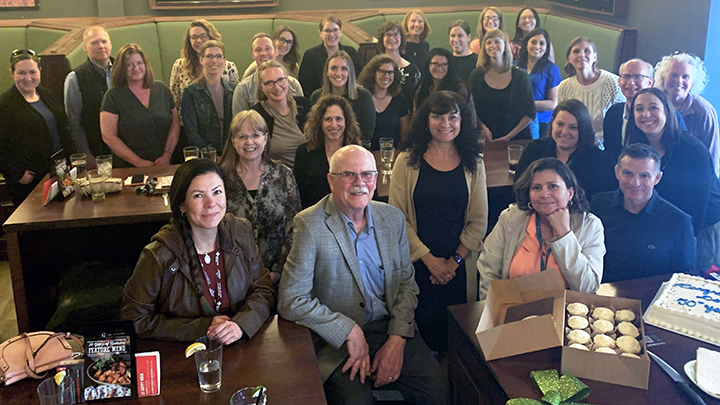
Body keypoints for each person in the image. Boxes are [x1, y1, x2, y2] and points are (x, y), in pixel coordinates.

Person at [278, 145, 447, 405]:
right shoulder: (309, 224)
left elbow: (406, 284)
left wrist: (397, 339)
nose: (360, 183)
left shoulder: (393, 218)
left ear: (376, 179)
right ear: (331, 180)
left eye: (367, 175)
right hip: (336, 338)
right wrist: (348, 330)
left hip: (389, 325)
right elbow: (291, 299)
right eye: (349, 175)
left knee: (438, 391)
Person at [121, 158, 275, 343]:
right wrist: (202, 328)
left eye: (217, 192)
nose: (211, 203)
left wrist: (241, 325)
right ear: (182, 205)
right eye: (198, 195)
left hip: (241, 348)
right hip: (185, 355)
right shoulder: (158, 255)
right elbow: (134, 318)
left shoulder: (240, 232)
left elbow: (263, 290)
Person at [389, 91, 487, 353]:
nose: (446, 124)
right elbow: (397, 219)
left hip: (460, 266)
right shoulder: (406, 161)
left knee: (458, 339)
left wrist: (452, 263)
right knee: (421, 340)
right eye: (438, 117)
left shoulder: (474, 163)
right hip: (418, 265)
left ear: (462, 120)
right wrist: (430, 261)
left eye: (452, 116)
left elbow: (479, 221)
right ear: (426, 120)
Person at [478, 157, 604, 300]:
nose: (544, 194)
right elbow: (488, 272)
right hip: (513, 310)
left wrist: (564, 234)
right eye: (536, 188)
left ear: (570, 193)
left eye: (553, 186)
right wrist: (493, 312)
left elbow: (587, 288)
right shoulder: (511, 219)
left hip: (567, 315)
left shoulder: (590, 226)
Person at [625, 87, 720, 270]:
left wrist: (680, 239)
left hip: (701, 228)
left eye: (653, 108)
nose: (646, 114)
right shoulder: (637, 147)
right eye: (639, 109)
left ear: (667, 111)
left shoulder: (693, 150)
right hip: (663, 226)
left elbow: (697, 207)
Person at [591, 143, 696, 282]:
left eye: (644, 176)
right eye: (628, 173)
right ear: (617, 172)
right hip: (601, 297)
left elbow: (685, 277)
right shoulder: (598, 205)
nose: (635, 183)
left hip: (653, 300)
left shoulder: (678, 221)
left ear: (657, 178)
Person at [219, 110, 301, 284]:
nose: (249, 142)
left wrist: (277, 272)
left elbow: (294, 228)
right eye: (241, 136)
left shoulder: (284, 175)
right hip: (231, 278)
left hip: (278, 277)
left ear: (265, 138)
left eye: (255, 135)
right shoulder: (221, 179)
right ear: (233, 141)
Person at [0, 50, 75, 207]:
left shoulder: (49, 95)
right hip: (29, 178)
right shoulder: (4, 105)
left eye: (32, 72)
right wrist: (16, 174)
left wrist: (70, 160)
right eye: (21, 73)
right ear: (12, 73)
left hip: (59, 169)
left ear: (40, 71)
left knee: (65, 212)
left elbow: (62, 130)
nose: (28, 78)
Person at [515, 100, 616, 198]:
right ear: (552, 122)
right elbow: (520, 187)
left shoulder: (600, 162)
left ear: (583, 130)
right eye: (560, 124)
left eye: (573, 127)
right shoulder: (535, 149)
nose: (564, 132)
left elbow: (599, 201)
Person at [100, 43, 179, 168]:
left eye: (139, 63)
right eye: (129, 65)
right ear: (121, 68)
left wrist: (167, 155)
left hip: (164, 162)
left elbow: (175, 124)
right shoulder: (113, 96)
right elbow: (108, 136)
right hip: (129, 166)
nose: (135, 68)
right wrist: (138, 162)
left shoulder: (161, 89)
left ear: (145, 65)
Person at [603, 59, 687, 162]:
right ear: (619, 82)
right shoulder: (613, 113)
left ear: (650, 82)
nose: (631, 82)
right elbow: (609, 153)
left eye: (638, 77)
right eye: (626, 76)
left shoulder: (672, 116)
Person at [655, 52, 720, 176]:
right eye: (673, 75)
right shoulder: (653, 103)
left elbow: (712, 156)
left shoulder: (704, 111)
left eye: (685, 77)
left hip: (689, 175)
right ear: (663, 77)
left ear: (693, 82)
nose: (678, 81)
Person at [294, 94, 362, 209]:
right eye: (328, 119)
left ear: (347, 122)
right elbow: (300, 196)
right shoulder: (304, 152)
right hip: (315, 218)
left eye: (338, 119)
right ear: (320, 122)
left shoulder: (359, 153)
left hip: (351, 216)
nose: (333, 125)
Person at [469, 28, 535, 141]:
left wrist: (509, 137)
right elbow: (471, 108)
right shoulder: (476, 76)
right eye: (488, 42)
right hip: (486, 139)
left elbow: (530, 113)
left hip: (516, 139)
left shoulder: (520, 76)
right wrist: (482, 127)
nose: (492, 45)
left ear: (505, 46)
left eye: (497, 41)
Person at [169, 19, 239, 121]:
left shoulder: (229, 67)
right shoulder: (179, 65)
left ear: (211, 37)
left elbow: (236, 99)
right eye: (194, 37)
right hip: (188, 125)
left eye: (203, 36)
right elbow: (174, 100)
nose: (198, 40)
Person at [557, 37, 625, 143]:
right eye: (576, 51)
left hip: (607, 145)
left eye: (586, 51)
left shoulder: (613, 82)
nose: (581, 55)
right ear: (569, 58)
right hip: (574, 144)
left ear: (594, 57)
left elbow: (620, 122)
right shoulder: (564, 87)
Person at [63, 26, 113, 165]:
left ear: (110, 44)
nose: (101, 46)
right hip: (97, 150)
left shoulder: (124, 70)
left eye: (104, 41)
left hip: (128, 149)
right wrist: (86, 154)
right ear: (85, 47)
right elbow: (74, 122)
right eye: (94, 42)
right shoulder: (75, 78)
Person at [249, 60, 311, 169]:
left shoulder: (304, 105)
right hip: (280, 179)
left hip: (311, 175)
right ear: (261, 87)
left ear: (287, 80)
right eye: (269, 83)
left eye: (280, 80)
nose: (277, 87)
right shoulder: (257, 115)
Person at [309, 50, 375, 149]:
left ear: (350, 72)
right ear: (327, 72)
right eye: (334, 68)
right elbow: (314, 130)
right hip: (324, 150)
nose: (338, 73)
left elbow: (366, 134)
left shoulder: (364, 96)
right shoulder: (316, 96)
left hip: (355, 150)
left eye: (344, 68)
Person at [181, 40, 235, 150]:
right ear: (201, 60)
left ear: (224, 61)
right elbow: (191, 131)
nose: (214, 60)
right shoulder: (190, 92)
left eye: (218, 56)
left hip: (231, 153)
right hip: (203, 155)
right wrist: (210, 153)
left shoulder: (233, 90)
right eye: (209, 56)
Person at [232, 33, 303, 115]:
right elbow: (240, 124)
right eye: (258, 50)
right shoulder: (243, 89)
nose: (263, 53)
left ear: (276, 51)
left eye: (267, 49)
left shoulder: (294, 84)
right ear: (252, 54)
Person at [298, 15, 362, 97]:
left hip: (349, 97)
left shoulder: (351, 52)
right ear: (320, 33)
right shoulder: (311, 55)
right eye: (327, 30)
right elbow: (305, 86)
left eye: (335, 30)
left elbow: (359, 79)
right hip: (320, 100)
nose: (332, 34)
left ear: (341, 32)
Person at [357, 54, 410, 149]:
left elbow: (405, 134)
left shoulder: (399, 99)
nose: (386, 76)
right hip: (364, 153)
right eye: (382, 71)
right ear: (373, 73)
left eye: (390, 72)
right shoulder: (362, 97)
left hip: (392, 155)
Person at [516, 28, 561, 138]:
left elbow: (553, 104)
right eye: (533, 42)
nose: (537, 46)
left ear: (546, 49)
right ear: (526, 45)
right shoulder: (515, 66)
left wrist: (526, 104)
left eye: (542, 44)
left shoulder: (551, 69)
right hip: (517, 121)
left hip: (541, 124)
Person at [376, 21, 421, 112]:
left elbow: (416, 99)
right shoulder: (374, 67)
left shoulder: (412, 70)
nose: (392, 38)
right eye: (388, 35)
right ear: (382, 39)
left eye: (396, 34)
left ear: (402, 38)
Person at [414, 47, 472, 114]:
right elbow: (415, 118)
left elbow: (469, 117)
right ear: (428, 65)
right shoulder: (421, 89)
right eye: (435, 64)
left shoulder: (460, 88)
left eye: (444, 64)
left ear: (449, 66)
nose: (439, 68)